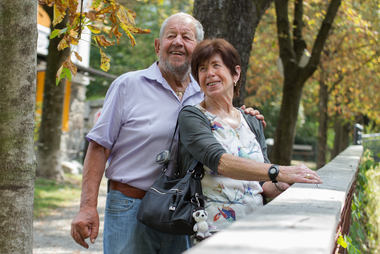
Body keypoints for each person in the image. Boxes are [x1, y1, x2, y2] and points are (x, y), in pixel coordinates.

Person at [70, 13, 265, 254]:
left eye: (187, 37)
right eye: (170, 36)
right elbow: (99, 146)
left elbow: (228, 126)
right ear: (157, 45)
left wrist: (245, 116)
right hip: (131, 205)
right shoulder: (128, 85)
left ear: (198, 49)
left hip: (184, 209)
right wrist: (87, 206)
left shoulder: (206, 91)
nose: (178, 42)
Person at [178, 38, 323, 235]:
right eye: (202, 69)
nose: (209, 73)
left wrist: (284, 184)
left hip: (257, 228)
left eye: (216, 66)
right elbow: (220, 162)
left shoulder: (251, 120)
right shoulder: (192, 116)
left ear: (236, 73)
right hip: (215, 231)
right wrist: (280, 171)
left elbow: (263, 184)